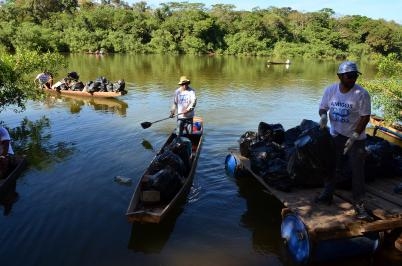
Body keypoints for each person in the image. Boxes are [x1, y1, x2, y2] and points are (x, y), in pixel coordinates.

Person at [315, 61, 372, 221]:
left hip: (356, 139)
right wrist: (323, 116)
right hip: (335, 135)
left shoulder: (361, 94)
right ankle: (327, 194)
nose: (352, 79)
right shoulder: (331, 90)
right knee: (330, 166)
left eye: (355, 76)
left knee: (357, 171)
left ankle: (359, 204)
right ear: (340, 76)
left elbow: (365, 117)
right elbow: (323, 107)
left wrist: (354, 136)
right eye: (349, 76)